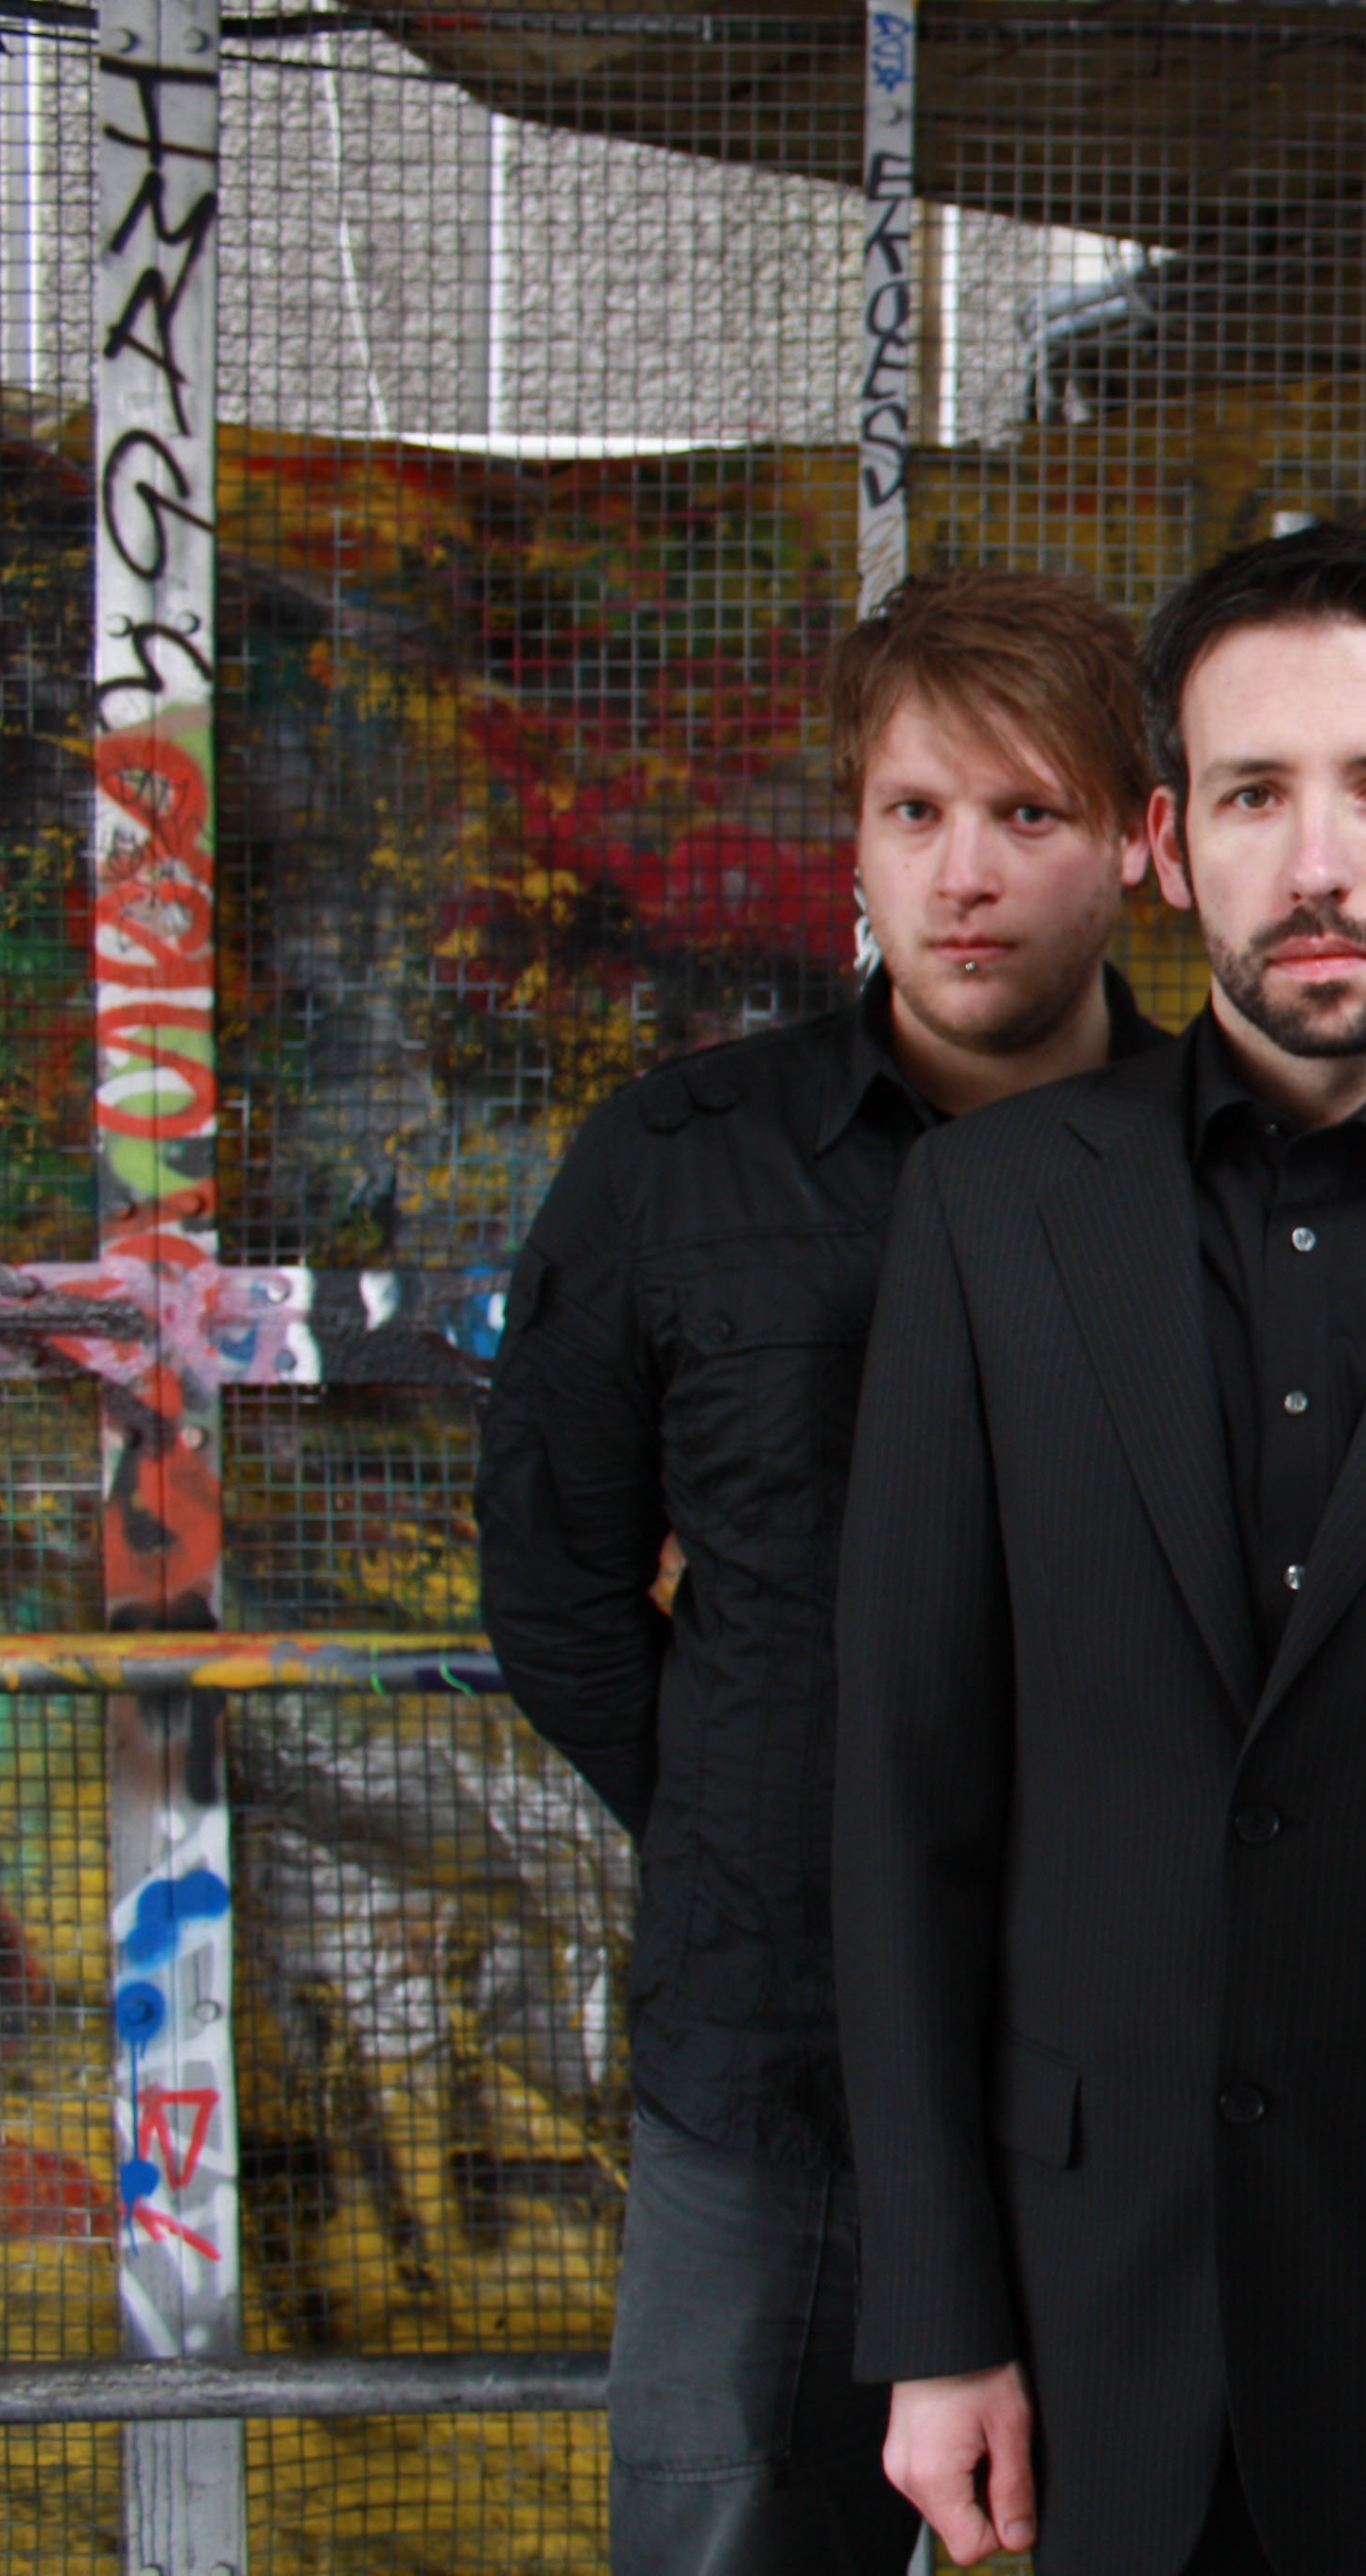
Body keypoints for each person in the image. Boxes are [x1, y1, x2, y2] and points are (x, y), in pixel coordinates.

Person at [831, 516, 1366, 2576]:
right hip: (1106, 2295)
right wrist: (936, 2318)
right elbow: (908, 1789)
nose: (1320, 861)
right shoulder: (992, 1213)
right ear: (1170, 845)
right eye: (1257, 795)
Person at [476, 569, 1165, 2575]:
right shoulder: (678, 1161)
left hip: (1142, 2065)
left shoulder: (1235, 1170)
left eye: (1028, 814)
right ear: (853, 832)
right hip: (768, 2055)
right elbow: (554, 1590)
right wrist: (764, 1824)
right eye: (914, 812)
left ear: (1139, 839)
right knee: (730, 2536)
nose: (965, 876)